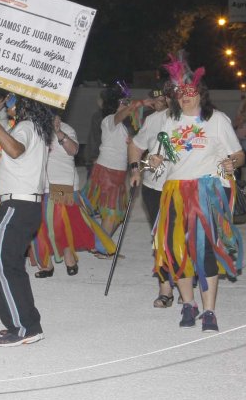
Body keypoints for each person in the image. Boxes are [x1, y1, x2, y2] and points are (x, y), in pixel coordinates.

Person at [138, 53, 244, 332]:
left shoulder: (217, 120)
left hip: (205, 190)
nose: (186, 97)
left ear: (201, 94)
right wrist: (150, 162)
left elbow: (239, 154)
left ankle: (209, 311)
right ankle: (188, 304)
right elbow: (156, 158)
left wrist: (232, 163)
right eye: (181, 93)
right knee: (176, 249)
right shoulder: (169, 123)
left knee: (206, 249)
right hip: (174, 191)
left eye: (191, 92)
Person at [0, 94, 54, 347]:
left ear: (24, 106)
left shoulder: (25, 126)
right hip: (27, 206)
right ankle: (26, 323)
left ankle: (23, 328)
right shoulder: (37, 129)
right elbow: (11, 157)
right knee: (13, 267)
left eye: (13, 102)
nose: (9, 105)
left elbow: (15, 150)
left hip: (17, 206)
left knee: (0, 265)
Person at [31, 113, 115, 278]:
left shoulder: (66, 129)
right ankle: (47, 264)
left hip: (62, 184)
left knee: (60, 224)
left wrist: (58, 132)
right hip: (38, 184)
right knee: (40, 225)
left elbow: (74, 150)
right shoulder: (34, 129)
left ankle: (69, 257)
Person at [127, 86, 178, 307]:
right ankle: (165, 288)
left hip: (186, 187)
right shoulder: (155, 119)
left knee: (185, 235)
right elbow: (136, 147)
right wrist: (135, 169)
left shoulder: (196, 120)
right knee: (162, 237)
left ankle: (187, 273)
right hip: (155, 188)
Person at [81, 86, 140, 241]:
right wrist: (140, 103)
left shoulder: (121, 127)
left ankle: (102, 244)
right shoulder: (109, 120)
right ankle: (101, 247)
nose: (125, 104)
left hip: (118, 172)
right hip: (108, 171)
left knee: (117, 212)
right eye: (122, 102)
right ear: (114, 103)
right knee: (112, 211)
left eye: (126, 101)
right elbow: (124, 113)